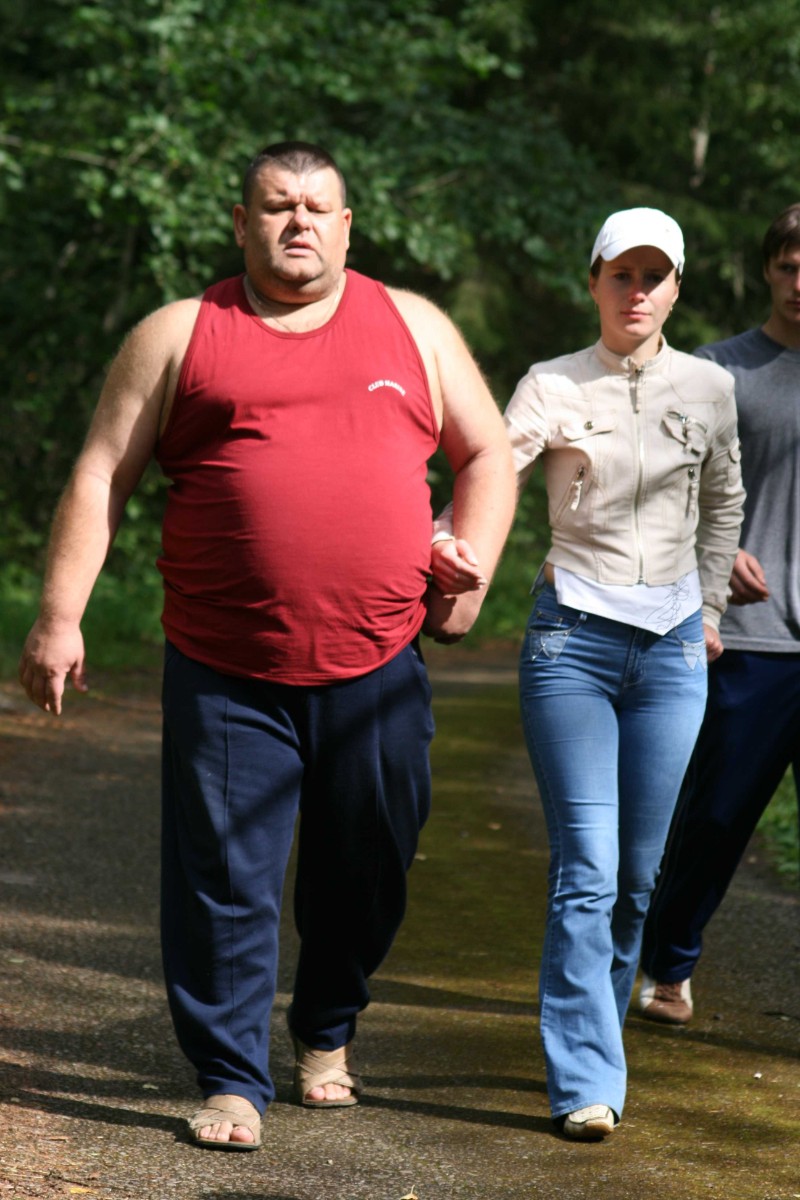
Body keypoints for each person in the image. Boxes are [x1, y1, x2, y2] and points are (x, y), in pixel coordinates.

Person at [18, 141, 516, 1151]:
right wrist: (60, 615)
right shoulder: (179, 333)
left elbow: (488, 454)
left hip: (379, 661)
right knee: (224, 877)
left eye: (316, 207)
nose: (298, 222)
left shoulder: (413, 326)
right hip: (224, 664)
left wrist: (469, 581)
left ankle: (326, 1025)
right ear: (241, 224)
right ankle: (232, 1078)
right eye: (277, 205)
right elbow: (103, 470)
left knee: (368, 863)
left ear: (347, 227)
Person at [432, 207, 745, 1139]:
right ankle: (586, 1079)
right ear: (596, 282)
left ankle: (595, 1043)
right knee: (588, 869)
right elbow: (492, 469)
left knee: (638, 878)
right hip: (572, 640)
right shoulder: (551, 382)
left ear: (677, 288)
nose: (636, 291)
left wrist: (711, 613)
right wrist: (448, 539)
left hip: (673, 651)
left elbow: (724, 502)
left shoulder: (711, 388)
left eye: (654, 276)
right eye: (621, 274)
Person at [639, 204, 800, 1026]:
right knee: (714, 817)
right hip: (750, 639)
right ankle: (669, 964)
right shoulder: (717, 371)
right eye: (789, 266)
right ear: (768, 269)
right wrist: (715, 546)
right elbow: (659, 486)